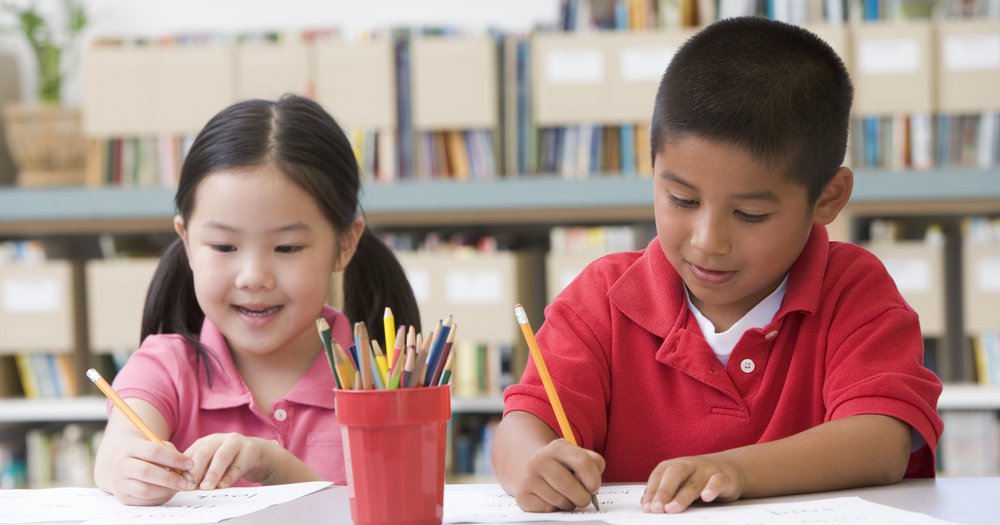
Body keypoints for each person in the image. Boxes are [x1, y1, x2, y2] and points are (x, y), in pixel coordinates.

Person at [492, 16, 943, 514]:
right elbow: (522, 426)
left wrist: (734, 470)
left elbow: (881, 441)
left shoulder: (853, 290)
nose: (708, 242)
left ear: (827, 198)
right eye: (682, 200)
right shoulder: (603, 298)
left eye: (750, 214)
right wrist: (533, 464)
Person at [93, 95, 420, 505]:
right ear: (187, 241)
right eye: (223, 246)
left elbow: (392, 506)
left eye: (286, 248)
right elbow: (116, 449)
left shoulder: (381, 377)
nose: (253, 277)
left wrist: (275, 466)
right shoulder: (165, 367)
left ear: (344, 244)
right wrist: (127, 466)